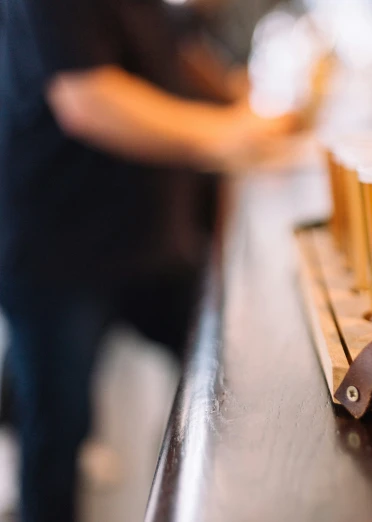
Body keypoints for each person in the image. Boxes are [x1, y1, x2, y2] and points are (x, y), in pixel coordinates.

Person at [0, 0, 297, 520]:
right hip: (58, 246)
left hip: (147, 240)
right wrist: (229, 131)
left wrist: (240, 106)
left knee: (233, 369)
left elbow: (169, 56)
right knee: (56, 436)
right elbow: (87, 98)